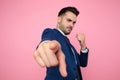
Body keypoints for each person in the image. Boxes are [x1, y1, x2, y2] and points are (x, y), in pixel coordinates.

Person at [33, 6, 89, 80]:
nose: (71, 25)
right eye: (69, 20)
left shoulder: (70, 45)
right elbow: (46, 41)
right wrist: (45, 45)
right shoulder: (51, 33)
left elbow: (83, 63)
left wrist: (83, 44)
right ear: (59, 19)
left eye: (74, 22)